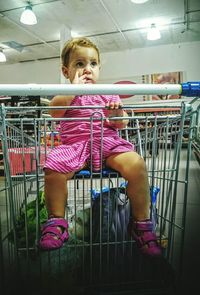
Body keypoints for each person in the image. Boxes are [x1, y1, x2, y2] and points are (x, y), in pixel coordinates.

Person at [39, 37, 161, 256]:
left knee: (136, 164)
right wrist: (73, 90)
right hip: (74, 146)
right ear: (66, 71)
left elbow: (122, 122)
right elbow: (55, 112)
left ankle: (141, 225)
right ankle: (56, 223)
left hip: (108, 144)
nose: (87, 69)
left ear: (99, 67)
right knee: (53, 167)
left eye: (93, 64)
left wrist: (116, 114)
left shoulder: (107, 92)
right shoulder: (65, 94)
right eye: (79, 64)